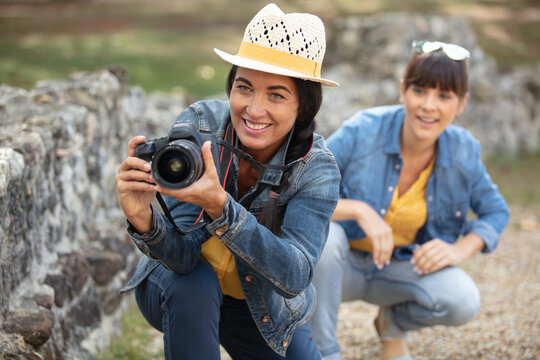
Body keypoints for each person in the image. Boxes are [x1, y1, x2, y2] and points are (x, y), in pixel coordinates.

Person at [116, 3, 340, 360]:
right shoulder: (200, 126)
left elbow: (295, 275)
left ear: (304, 107)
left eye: (277, 95)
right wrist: (141, 216)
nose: (253, 109)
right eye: (244, 87)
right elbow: (183, 257)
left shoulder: (316, 169)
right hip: (180, 284)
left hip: (261, 304)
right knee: (195, 284)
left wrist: (221, 208)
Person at [310, 40, 510, 360]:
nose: (429, 105)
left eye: (444, 96)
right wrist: (360, 211)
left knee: (463, 300)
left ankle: (392, 324)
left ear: (461, 103)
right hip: (336, 270)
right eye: (420, 91)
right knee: (326, 236)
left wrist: (459, 249)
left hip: (401, 270)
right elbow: (302, 190)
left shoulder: (464, 150)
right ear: (403, 90)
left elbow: (496, 212)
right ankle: (322, 352)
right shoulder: (362, 131)